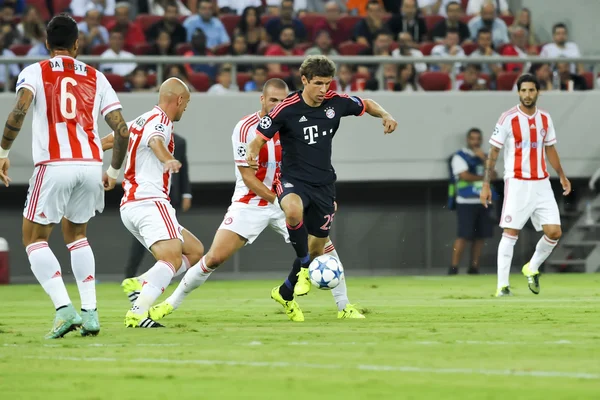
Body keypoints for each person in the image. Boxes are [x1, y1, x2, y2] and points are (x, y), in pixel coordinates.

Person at [137, 78, 364, 323]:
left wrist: (321, 196)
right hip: (251, 202)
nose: (277, 104)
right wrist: (280, 199)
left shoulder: (295, 121)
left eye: (282, 100)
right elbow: (247, 176)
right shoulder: (246, 128)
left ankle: (343, 305)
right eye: (273, 100)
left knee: (323, 246)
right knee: (213, 257)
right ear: (262, 99)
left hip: (290, 200)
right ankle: (168, 304)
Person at [0, 14, 130, 338]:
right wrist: (113, 171)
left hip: (55, 163)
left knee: (33, 239)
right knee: (77, 236)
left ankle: (63, 310)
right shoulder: (97, 77)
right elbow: (122, 130)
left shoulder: (35, 71)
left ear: (46, 43)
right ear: (77, 44)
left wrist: (2, 152)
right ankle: (90, 313)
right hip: (89, 164)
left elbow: (19, 109)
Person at [246, 55, 398, 319]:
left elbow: (367, 104)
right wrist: (251, 152)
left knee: (317, 247)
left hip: (324, 185)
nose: (323, 90)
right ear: (304, 80)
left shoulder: (335, 103)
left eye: (327, 83)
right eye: (318, 83)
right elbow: (259, 138)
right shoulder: (286, 108)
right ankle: (306, 268)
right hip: (293, 180)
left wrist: (385, 115)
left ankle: (285, 291)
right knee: (292, 212)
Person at [101, 78, 205, 328]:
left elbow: (113, 139)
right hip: (149, 200)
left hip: (132, 205)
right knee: (172, 259)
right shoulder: (161, 122)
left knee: (194, 250)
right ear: (179, 100)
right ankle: (138, 311)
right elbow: (155, 141)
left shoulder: (141, 119)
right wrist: (168, 159)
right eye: (186, 103)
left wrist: (91, 154)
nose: (185, 109)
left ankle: (141, 281)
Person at [480, 74, 571, 297]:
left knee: (554, 232)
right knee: (510, 233)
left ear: (538, 92)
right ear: (518, 92)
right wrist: (485, 184)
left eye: (531, 90)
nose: (527, 95)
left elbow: (550, 148)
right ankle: (502, 286)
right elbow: (493, 151)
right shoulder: (507, 118)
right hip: (517, 182)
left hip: (541, 183)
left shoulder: (545, 119)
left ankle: (531, 267)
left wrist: (562, 175)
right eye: (523, 91)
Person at [104, 129, 192, 279]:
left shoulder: (179, 141)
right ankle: (134, 275)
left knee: (191, 249)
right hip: (148, 200)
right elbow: (154, 141)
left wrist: (186, 193)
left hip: (166, 197)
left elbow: (183, 170)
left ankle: (153, 277)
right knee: (159, 245)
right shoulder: (144, 135)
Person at [448, 128, 495, 275]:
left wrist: (484, 160)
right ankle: (454, 267)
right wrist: (483, 178)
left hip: (483, 201)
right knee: (463, 235)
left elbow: (493, 175)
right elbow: (464, 176)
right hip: (466, 201)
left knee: (480, 236)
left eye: (478, 139)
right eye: (472, 139)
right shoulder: (460, 156)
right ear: (468, 140)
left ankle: (474, 268)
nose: (475, 142)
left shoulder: (485, 157)